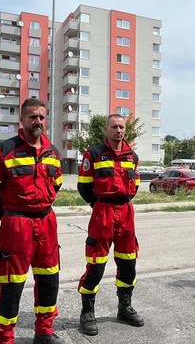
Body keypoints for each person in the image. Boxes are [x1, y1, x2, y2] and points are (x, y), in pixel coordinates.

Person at [0, 98, 64, 344]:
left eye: (42, 117)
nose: (38, 121)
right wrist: (3, 211)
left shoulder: (52, 152)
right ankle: (5, 338)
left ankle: (44, 332)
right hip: (17, 225)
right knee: (12, 283)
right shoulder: (5, 150)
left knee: (49, 279)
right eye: (33, 117)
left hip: (46, 222)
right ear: (22, 120)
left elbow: (56, 184)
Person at [75, 114, 144, 336]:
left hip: (126, 213)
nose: (118, 130)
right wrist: (99, 204)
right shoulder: (94, 154)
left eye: (121, 127)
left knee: (128, 262)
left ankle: (124, 307)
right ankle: (87, 312)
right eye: (114, 127)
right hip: (102, 212)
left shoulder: (132, 156)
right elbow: (84, 186)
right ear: (107, 129)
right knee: (96, 264)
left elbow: (135, 185)